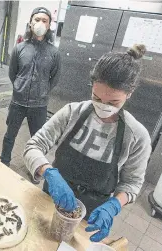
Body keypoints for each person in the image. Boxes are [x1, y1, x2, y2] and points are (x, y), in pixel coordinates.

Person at [23, 44, 152, 242]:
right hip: (52, 199)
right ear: (92, 85)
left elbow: (132, 183)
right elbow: (33, 147)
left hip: (92, 213)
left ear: (130, 93)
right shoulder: (71, 113)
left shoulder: (137, 136)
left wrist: (114, 206)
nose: (103, 107)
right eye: (96, 97)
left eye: (113, 103)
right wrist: (48, 172)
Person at [0, 7, 61, 174]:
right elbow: (13, 73)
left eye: (44, 20)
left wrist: (42, 91)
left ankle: (35, 168)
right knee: (9, 135)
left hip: (39, 106)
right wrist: (20, 86)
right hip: (17, 102)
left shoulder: (54, 53)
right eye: (37, 19)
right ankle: (4, 161)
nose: (40, 23)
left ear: (49, 25)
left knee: (37, 140)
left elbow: (54, 79)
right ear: (30, 23)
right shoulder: (20, 48)